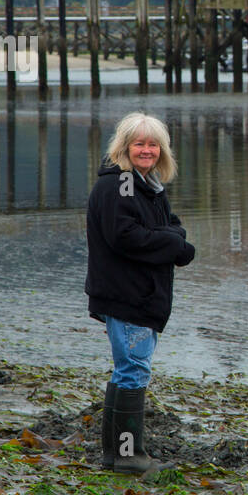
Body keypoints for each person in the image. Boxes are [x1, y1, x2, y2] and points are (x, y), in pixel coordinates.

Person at [85, 112, 195, 475]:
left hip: (136, 295)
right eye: (139, 144)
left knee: (125, 372)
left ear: (162, 150)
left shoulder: (147, 185)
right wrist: (175, 242)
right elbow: (125, 237)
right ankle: (130, 457)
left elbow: (169, 224)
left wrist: (175, 240)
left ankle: (115, 455)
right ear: (124, 147)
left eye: (153, 144)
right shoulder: (120, 184)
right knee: (133, 372)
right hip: (128, 296)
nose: (147, 150)